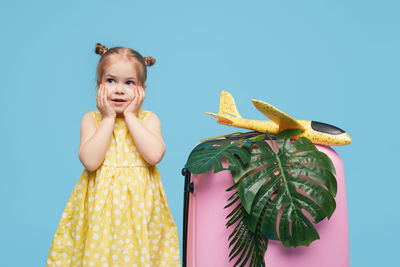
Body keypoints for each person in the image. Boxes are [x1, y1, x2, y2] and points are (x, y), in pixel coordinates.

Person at [46, 43, 182, 267]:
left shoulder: (148, 120)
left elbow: (154, 155)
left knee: (139, 256)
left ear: (142, 89)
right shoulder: (92, 120)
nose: (119, 90)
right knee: (98, 255)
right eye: (111, 81)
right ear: (99, 85)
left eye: (129, 83)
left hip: (141, 210)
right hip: (100, 210)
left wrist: (130, 116)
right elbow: (90, 162)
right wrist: (108, 119)